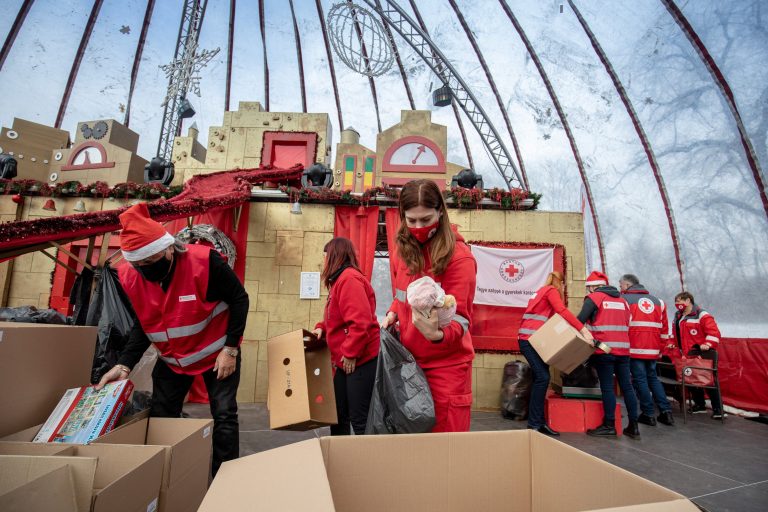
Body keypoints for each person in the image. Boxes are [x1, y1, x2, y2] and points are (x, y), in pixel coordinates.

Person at [96, 203, 249, 477]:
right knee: (162, 417)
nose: (145, 269)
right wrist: (124, 365)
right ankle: (167, 477)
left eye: (150, 261)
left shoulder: (204, 262)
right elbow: (144, 324)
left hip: (216, 352)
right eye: (139, 264)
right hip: (173, 359)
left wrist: (231, 349)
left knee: (224, 415)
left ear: (168, 248)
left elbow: (240, 299)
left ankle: (226, 477)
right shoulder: (131, 277)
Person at [381, 179, 477, 432]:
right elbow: (403, 294)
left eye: (426, 220)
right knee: (413, 448)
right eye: (411, 221)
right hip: (410, 365)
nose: (418, 227)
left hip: (446, 369)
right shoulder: (403, 251)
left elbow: (462, 319)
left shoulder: (459, 258)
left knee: (445, 449)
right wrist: (393, 312)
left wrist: (438, 335)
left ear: (440, 213)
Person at [312, 237, 380, 435]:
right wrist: (321, 328)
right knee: (338, 414)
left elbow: (360, 322)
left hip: (360, 358)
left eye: (325, 257)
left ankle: (364, 462)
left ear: (334, 256)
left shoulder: (349, 279)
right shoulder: (339, 280)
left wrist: (350, 353)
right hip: (345, 360)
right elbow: (336, 317)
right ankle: (340, 457)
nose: (323, 262)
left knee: (359, 418)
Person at [518, 271, 594, 436]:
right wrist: (583, 330)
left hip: (532, 340)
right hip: (530, 340)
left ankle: (539, 422)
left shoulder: (540, 292)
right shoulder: (551, 291)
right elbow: (562, 311)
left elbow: (555, 321)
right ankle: (534, 424)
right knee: (543, 378)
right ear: (561, 284)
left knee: (542, 378)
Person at [578, 271, 641, 439]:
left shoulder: (595, 299)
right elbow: (628, 324)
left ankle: (609, 425)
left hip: (604, 349)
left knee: (607, 388)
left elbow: (578, 321)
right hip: (624, 351)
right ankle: (634, 427)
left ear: (594, 287)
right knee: (627, 387)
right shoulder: (623, 301)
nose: (588, 291)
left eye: (589, 287)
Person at [619, 274, 675, 427]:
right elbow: (664, 329)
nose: (620, 288)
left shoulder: (624, 300)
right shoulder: (659, 302)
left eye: (620, 285)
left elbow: (622, 324)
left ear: (626, 285)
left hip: (635, 347)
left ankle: (648, 414)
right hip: (653, 349)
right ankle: (666, 413)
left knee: (639, 380)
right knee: (653, 378)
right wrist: (661, 348)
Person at [673, 291, 724, 420]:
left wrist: (708, 343)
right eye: (676, 301)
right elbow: (676, 335)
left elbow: (714, 333)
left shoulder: (702, 315)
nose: (677, 304)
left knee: (709, 381)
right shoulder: (678, 316)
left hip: (703, 353)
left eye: (679, 301)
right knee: (691, 379)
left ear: (688, 300)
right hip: (687, 354)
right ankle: (700, 405)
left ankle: (718, 409)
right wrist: (672, 344)